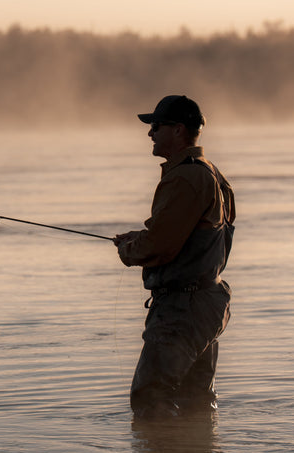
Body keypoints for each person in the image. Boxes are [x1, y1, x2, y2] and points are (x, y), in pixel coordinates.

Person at [114, 95, 235, 417]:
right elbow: (191, 234)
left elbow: (161, 247)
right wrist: (142, 237)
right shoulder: (209, 172)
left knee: (149, 398)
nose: (150, 133)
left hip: (184, 308)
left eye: (156, 126)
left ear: (178, 130)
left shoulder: (185, 176)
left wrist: (129, 250)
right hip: (206, 303)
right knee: (197, 401)